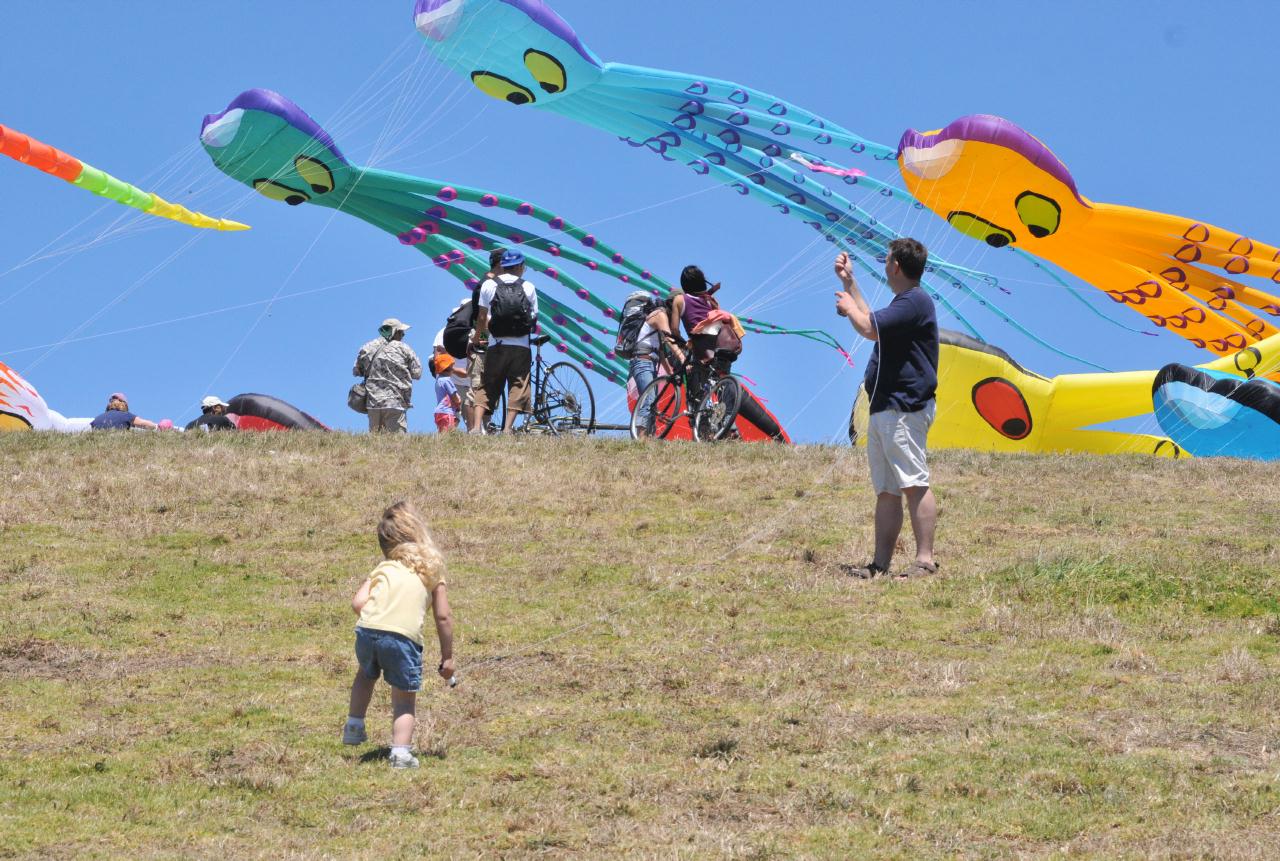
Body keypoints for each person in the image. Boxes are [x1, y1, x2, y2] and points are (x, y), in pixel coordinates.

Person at [833, 238, 940, 579]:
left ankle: (925, 560)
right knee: (888, 491)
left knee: (913, 482)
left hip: (904, 407)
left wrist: (849, 308)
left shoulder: (915, 301)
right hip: (886, 408)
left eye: (887, 259)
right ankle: (880, 565)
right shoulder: (905, 303)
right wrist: (850, 283)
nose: (884, 264)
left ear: (895, 265)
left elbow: (867, 327)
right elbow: (872, 320)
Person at [343, 502, 454, 769]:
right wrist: (448, 657)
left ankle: (354, 724)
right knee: (404, 699)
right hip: (402, 638)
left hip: (368, 631)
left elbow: (358, 603)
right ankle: (401, 753)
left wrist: (378, 622)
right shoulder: (431, 571)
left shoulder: (384, 567)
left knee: (365, 674)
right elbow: (443, 617)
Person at [472, 249, 538, 434]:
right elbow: (533, 318)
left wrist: (482, 339)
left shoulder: (489, 285)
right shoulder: (529, 287)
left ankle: (476, 427)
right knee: (519, 385)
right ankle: (507, 428)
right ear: (519, 267)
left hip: (496, 344)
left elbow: (482, 318)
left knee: (487, 384)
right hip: (521, 346)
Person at [353, 318, 423, 434]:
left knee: (376, 446)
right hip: (395, 402)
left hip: (373, 403)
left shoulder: (367, 347)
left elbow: (356, 371)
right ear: (394, 332)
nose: (403, 334)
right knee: (397, 445)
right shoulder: (404, 348)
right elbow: (417, 373)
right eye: (401, 332)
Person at [629, 295, 685, 437]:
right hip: (642, 362)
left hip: (649, 362)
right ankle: (640, 438)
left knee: (652, 402)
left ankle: (649, 437)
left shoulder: (659, 321)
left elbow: (661, 353)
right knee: (649, 399)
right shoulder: (660, 315)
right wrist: (682, 358)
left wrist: (670, 373)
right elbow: (669, 339)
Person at [89, 393, 157, 430]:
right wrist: (157, 426)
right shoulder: (126, 415)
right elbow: (144, 424)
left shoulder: (96, 419)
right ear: (124, 404)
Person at [432, 354, 462, 433]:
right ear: (448, 367)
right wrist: (458, 401)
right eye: (452, 366)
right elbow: (453, 395)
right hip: (447, 411)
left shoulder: (439, 380)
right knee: (448, 434)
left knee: (442, 433)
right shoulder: (447, 380)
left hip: (439, 412)